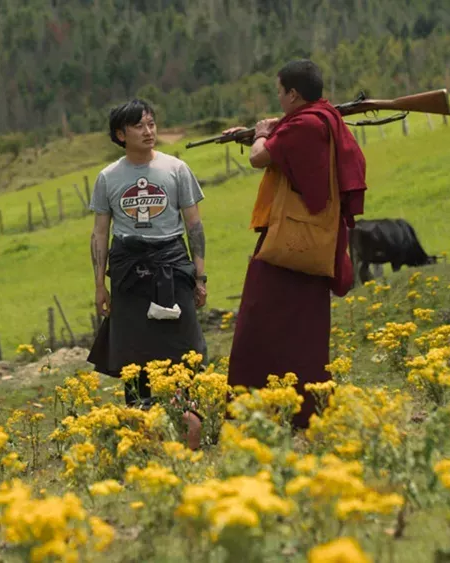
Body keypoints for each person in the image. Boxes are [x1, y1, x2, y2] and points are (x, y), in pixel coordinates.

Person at [223, 59, 367, 429]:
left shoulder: (305, 124)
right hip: (312, 240)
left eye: (280, 92)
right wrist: (267, 129)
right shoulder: (322, 118)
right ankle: (303, 406)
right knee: (303, 327)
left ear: (293, 94)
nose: (279, 98)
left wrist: (259, 133)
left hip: (291, 242)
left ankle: (259, 409)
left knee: (257, 323)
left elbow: (260, 157)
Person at [86, 98, 206, 449]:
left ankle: (190, 428)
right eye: (139, 126)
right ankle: (142, 434)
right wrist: (99, 286)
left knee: (185, 349)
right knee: (133, 353)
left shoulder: (176, 169)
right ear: (120, 134)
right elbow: (99, 234)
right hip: (128, 274)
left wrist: (200, 277)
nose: (149, 131)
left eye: (151, 123)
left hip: (172, 264)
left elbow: (194, 225)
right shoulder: (108, 177)